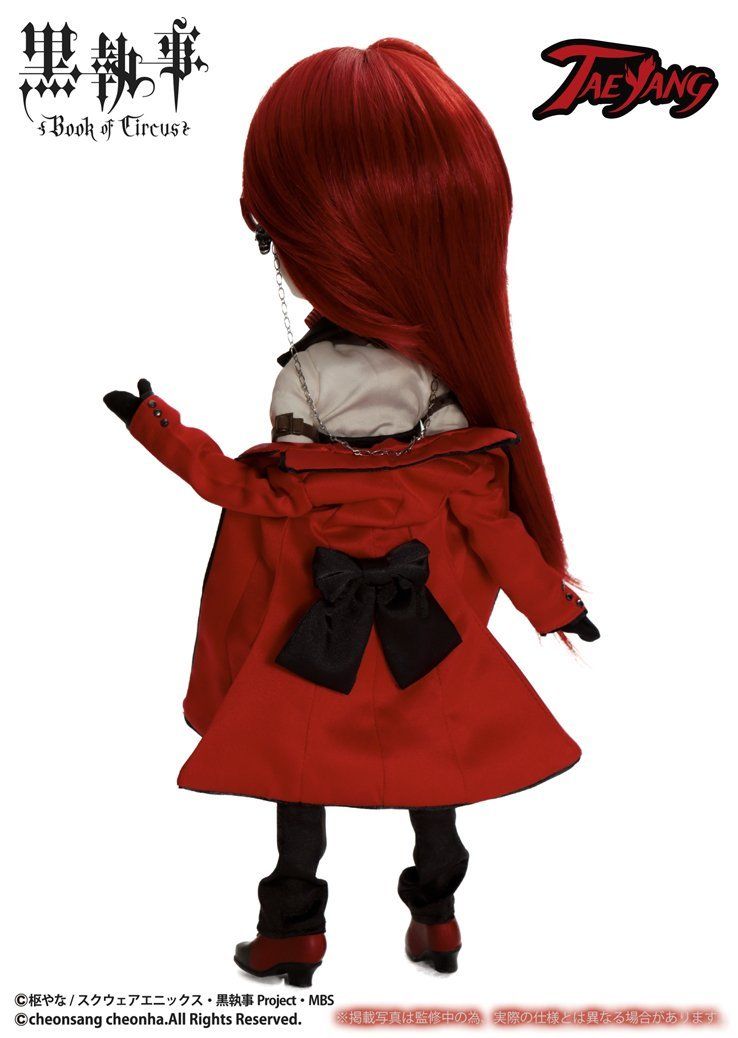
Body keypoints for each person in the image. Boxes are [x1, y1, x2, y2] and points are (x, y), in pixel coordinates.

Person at [104, 38, 600, 988]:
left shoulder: (301, 409)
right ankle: (437, 917)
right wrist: (556, 607)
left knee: (299, 782)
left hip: (313, 637)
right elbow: (497, 532)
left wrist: (157, 427)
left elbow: (234, 487)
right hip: (428, 639)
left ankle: (294, 931)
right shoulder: (453, 443)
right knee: (436, 776)